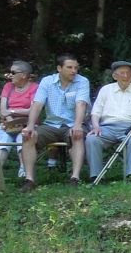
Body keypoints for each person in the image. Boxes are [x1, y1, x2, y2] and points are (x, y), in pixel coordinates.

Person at [20, 53, 89, 188]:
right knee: (29, 136)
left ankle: (75, 178)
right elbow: (37, 104)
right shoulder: (47, 81)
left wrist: (77, 125)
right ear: (59, 68)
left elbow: (81, 104)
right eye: (69, 67)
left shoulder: (82, 81)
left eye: (76, 68)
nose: (74, 71)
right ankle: (29, 179)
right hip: (51, 124)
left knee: (77, 135)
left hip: (71, 123)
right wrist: (30, 126)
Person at [86, 60, 131, 182]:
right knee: (92, 138)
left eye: (128, 73)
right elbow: (96, 112)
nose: (125, 76)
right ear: (115, 76)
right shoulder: (106, 90)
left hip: (130, 128)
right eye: (122, 73)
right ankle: (96, 176)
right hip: (106, 128)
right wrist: (95, 126)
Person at [0, 61, 39, 180]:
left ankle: (24, 171)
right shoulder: (8, 87)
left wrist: (11, 112)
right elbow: (2, 109)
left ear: (24, 75)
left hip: (28, 124)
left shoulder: (35, 88)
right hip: (8, 123)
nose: (10, 75)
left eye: (13, 72)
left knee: (24, 138)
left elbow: (33, 110)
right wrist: (11, 122)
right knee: (4, 141)